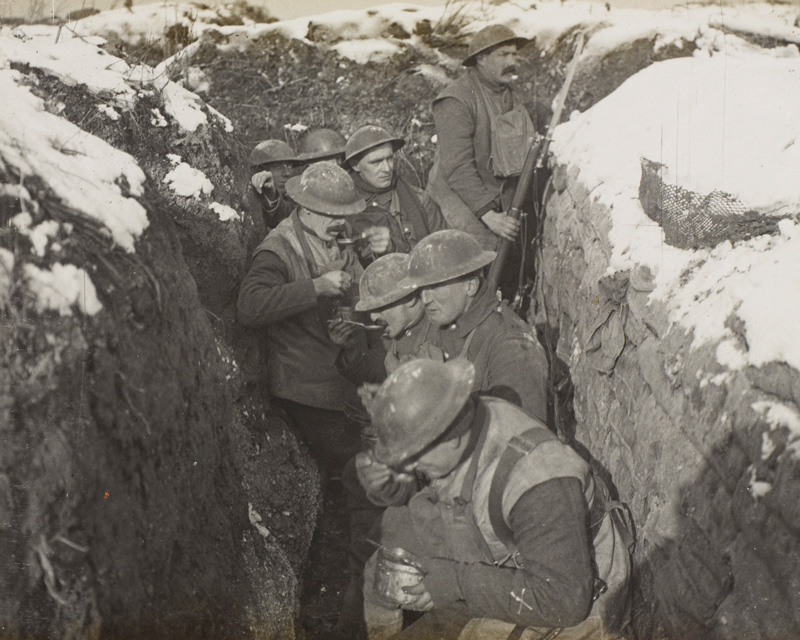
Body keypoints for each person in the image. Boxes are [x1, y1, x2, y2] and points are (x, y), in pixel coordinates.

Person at [358, 358, 633, 640]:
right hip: (508, 565)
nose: (410, 466)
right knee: (381, 571)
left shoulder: (538, 482)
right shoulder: (464, 419)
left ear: (449, 437)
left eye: (414, 455)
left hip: (572, 602)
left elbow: (564, 603)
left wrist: (455, 582)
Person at [237, 162, 390, 475]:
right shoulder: (278, 249)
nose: (339, 222)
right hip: (308, 392)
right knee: (359, 472)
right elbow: (249, 306)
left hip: (348, 372)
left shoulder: (335, 232)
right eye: (331, 214)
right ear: (305, 208)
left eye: (342, 214)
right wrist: (316, 287)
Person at [427, 24, 538, 298]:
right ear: (480, 59)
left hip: (493, 198)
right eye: (503, 55)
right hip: (458, 203)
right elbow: (457, 168)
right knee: (470, 278)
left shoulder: (508, 95)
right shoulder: (455, 100)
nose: (512, 61)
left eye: (513, 54)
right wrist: (490, 216)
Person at [399, 229, 548, 422]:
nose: (425, 299)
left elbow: (521, 437)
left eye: (435, 286)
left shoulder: (511, 344)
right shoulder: (443, 319)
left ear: (470, 286)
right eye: (421, 289)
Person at [329, 253, 435, 387]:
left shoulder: (440, 331)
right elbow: (373, 376)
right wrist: (350, 348)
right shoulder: (388, 334)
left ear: (409, 298)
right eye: (370, 310)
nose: (373, 317)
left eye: (380, 307)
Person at [346, 124, 448, 254]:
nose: (387, 168)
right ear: (355, 165)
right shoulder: (346, 206)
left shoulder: (419, 199)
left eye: (389, 159)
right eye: (376, 162)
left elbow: (444, 247)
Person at [246, 138, 299, 229]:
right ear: (260, 171)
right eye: (277, 167)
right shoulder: (250, 201)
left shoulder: (294, 197)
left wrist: (273, 197)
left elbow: (294, 216)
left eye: (289, 165)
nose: (287, 173)